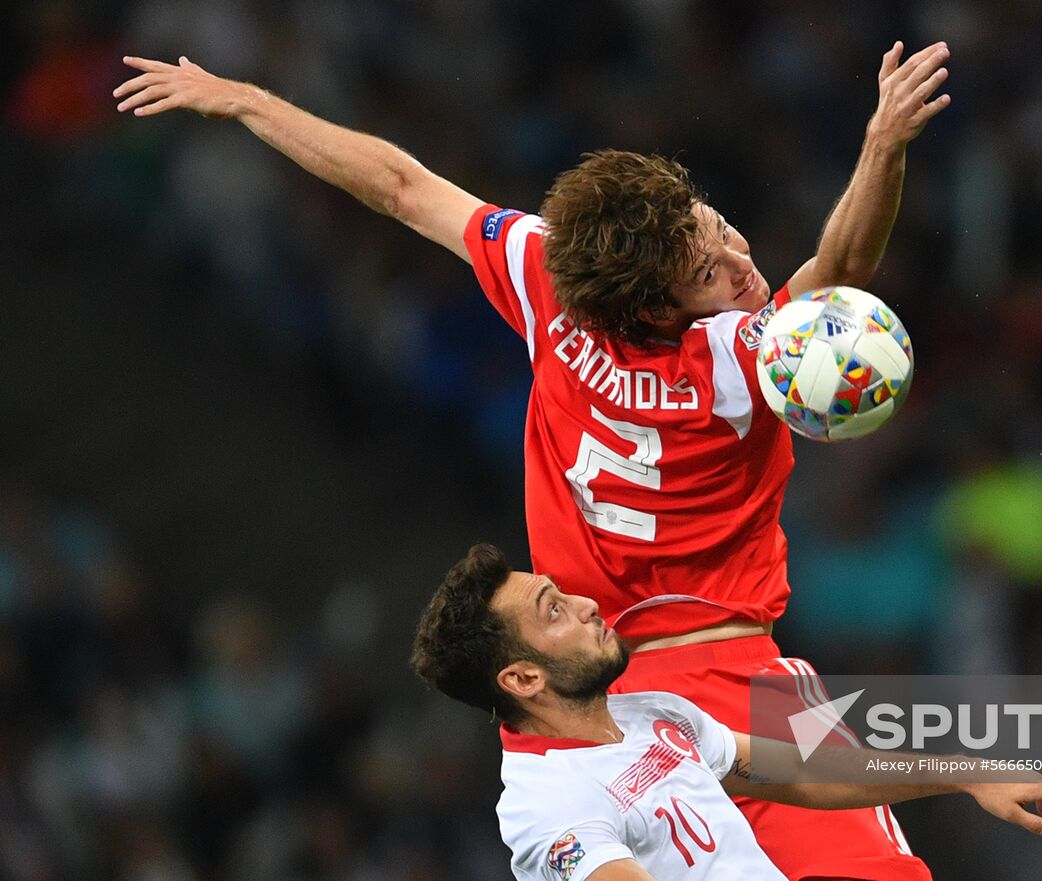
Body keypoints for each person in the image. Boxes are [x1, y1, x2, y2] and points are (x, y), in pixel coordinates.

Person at [115, 40, 953, 880]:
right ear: (658, 308)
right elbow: (841, 267)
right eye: (710, 269)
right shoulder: (739, 358)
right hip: (737, 679)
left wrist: (250, 104)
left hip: (589, 703)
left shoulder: (547, 283)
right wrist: (882, 145)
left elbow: (401, 188)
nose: (741, 262)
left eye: (720, 227)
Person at [410, 544, 1042, 881]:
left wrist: (969, 772)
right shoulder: (545, 805)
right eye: (553, 610)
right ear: (523, 676)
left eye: (562, 593)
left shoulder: (653, 714)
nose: (585, 605)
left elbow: (806, 774)